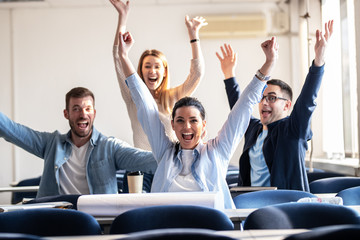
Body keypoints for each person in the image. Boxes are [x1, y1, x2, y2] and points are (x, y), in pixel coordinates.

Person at [117, 30, 278, 209]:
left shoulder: (217, 151)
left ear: (203, 125)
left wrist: (269, 63)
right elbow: (144, 103)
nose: (186, 126)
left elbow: (244, 106)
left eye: (193, 120)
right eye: (180, 121)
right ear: (172, 125)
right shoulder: (165, 152)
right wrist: (124, 56)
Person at [216, 20, 334, 191]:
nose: (264, 102)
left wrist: (319, 60)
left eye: (271, 98)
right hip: (250, 206)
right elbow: (239, 107)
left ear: (287, 106)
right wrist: (229, 75)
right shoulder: (254, 129)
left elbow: (308, 100)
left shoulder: (293, 128)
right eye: (262, 97)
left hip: (286, 207)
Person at [0, 87, 157, 198]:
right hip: (54, 218)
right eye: (76, 109)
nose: (83, 114)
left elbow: (147, 160)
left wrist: (179, 151)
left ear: (94, 114)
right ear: (66, 114)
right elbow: (13, 131)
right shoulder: (51, 144)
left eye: (88, 109)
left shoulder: (109, 147)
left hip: (96, 220)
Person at [110, 0, 207, 150]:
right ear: (141, 70)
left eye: (157, 66)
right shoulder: (132, 97)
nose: (152, 71)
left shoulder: (174, 97)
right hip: (142, 165)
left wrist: (193, 36)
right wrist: (122, 16)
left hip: (169, 164)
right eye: (147, 66)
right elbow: (118, 56)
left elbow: (197, 74)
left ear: (164, 72)